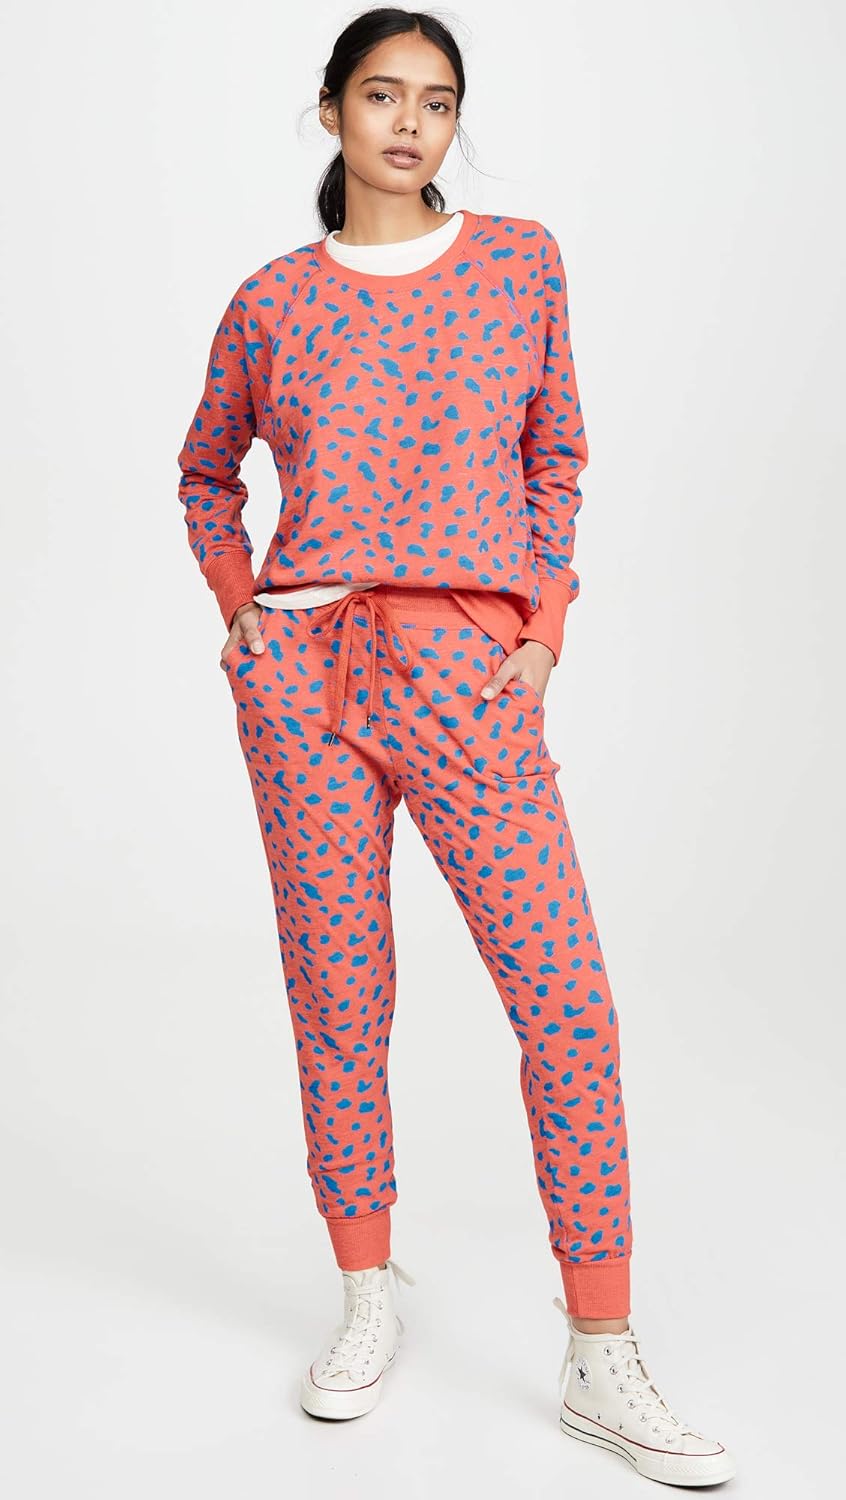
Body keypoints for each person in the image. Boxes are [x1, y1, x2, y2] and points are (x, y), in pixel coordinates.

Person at [176, 6, 735, 1484]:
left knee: (565, 1004)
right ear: (331, 112)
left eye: (435, 100)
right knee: (337, 988)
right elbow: (205, 473)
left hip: (468, 670)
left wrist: (540, 632)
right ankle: (365, 1297)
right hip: (305, 674)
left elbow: (557, 455)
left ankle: (600, 1351)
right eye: (381, 95)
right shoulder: (270, 300)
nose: (409, 124)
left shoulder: (519, 262)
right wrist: (241, 614)